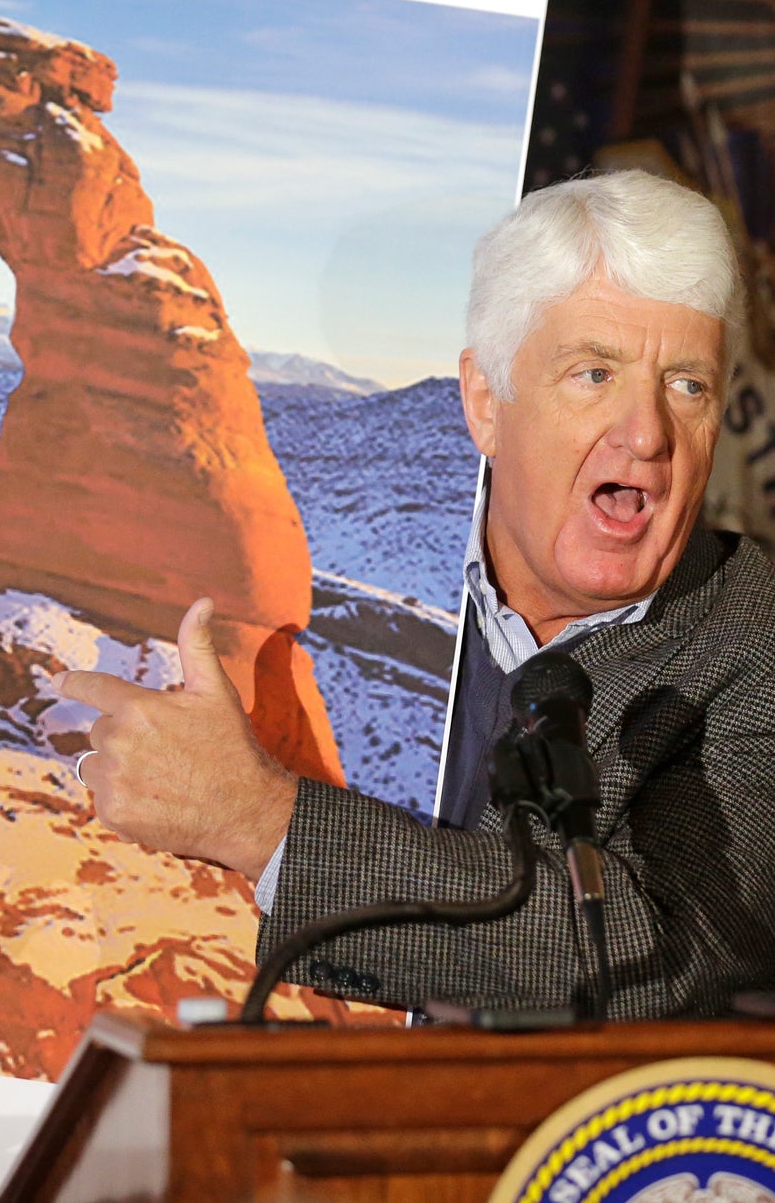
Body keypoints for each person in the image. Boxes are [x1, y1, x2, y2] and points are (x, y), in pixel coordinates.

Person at [57, 169, 775, 1019]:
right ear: (485, 402)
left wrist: (265, 825)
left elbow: (659, 950)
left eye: (687, 385)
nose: (648, 432)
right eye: (594, 373)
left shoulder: (752, 634)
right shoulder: (335, 557)